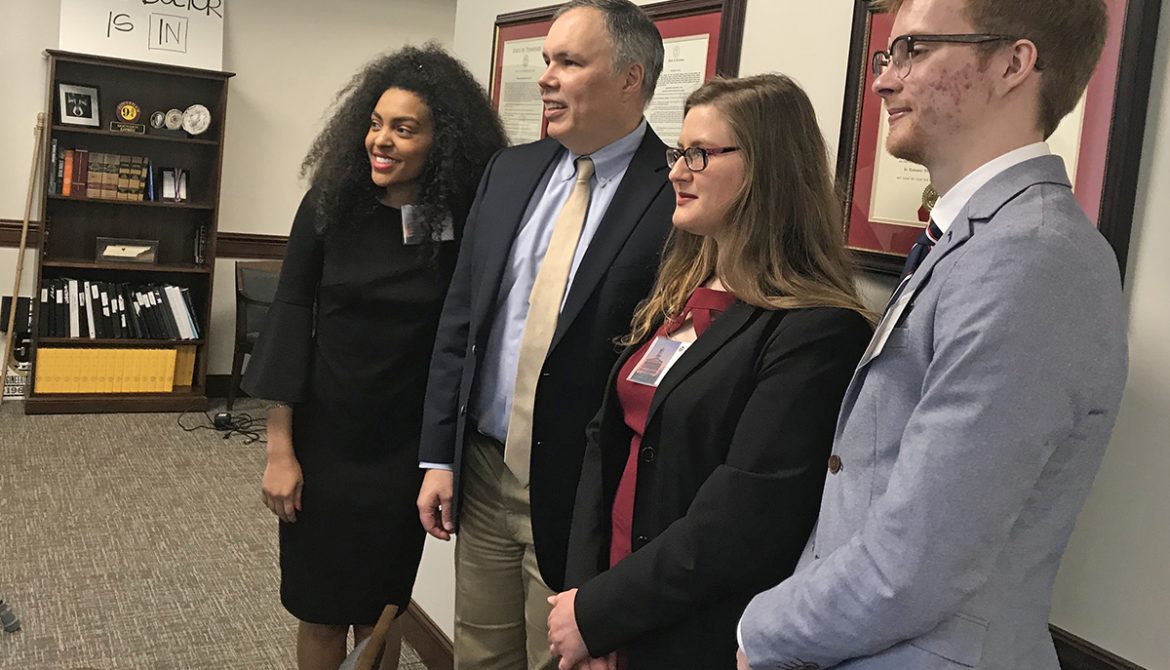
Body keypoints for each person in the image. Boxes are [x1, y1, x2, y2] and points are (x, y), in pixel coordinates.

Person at [736, 0, 1128, 668]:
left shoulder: (1032, 256)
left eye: (913, 51)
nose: (884, 80)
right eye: (888, 56)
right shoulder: (977, 240)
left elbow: (918, 560)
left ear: (1013, 64)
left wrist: (762, 632)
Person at [545, 74, 875, 670]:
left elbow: (742, 522)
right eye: (678, 152)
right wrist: (584, 601)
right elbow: (605, 443)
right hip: (610, 603)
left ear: (768, 169)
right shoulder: (681, 291)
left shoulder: (817, 331)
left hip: (691, 631)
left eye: (699, 154)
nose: (676, 171)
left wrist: (601, 614)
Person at [415, 0, 675, 667]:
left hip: (581, 487)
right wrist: (439, 455)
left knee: (556, 657)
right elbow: (461, 319)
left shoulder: (676, 193)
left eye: (569, 62)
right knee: (481, 653)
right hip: (482, 467)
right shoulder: (510, 171)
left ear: (630, 78)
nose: (546, 78)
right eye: (547, 60)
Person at [242, 45, 506, 670]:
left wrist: (444, 456)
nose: (381, 141)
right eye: (376, 123)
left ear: (442, 142)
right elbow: (289, 317)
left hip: (405, 449)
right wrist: (280, 451)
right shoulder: (331, 205)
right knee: (319, 607)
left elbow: (466, 338)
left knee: (381, 609)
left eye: (404, 129)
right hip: (324, 439)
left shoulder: (458, 223)